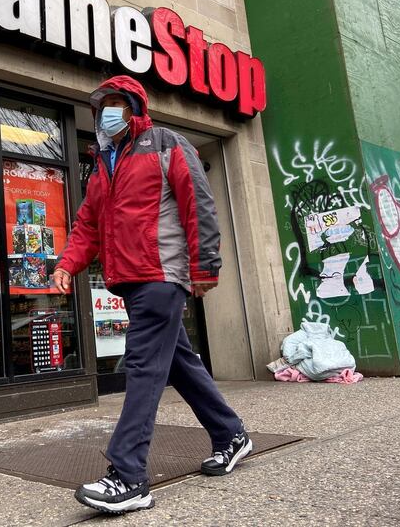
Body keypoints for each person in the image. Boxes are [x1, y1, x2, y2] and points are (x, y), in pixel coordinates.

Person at [53, 75, 251, 515]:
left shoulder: (166, 143)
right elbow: (88, 225)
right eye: (101, 104)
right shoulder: (103, 166)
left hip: (162, 275)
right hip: (128, 279)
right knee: (179, 363)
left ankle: (129, 476)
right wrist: (68, 263)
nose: (108, 111)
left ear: (134, 108)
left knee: (142, 365)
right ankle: (231, 434)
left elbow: (198, 203)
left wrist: (204, 266)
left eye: (116, 103)